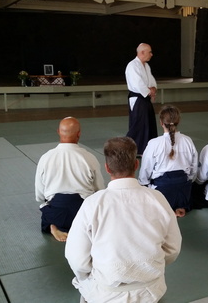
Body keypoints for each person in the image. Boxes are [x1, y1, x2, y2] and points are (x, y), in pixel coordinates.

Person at [65, 137, 182, 303]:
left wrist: (91, 273)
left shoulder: (93, 203)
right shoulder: (157, 198)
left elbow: (77, 259)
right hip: (151, 291)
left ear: (107, 168)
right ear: (136, 165)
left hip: (107, 292)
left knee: (83, 286)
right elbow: (173, 249)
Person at [35, 117, 104, 242]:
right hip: (81, 213)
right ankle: (77, 229)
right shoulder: (89, 158)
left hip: (56, 213)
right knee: (96, 219)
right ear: (79, 134)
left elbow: (39, 195)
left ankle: (54, 226)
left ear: (58, 132)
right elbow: (99, 191)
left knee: (48, 210)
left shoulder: (46, 158)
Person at [139, 105, 198, 217]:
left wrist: (143, 185)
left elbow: (145, 173)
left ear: (161, 122)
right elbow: (193, 171)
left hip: (162, 192)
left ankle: (166, 208)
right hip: (183, 192)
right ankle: (179, 207)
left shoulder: (154, 143)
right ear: (178, 121)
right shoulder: (187, 141)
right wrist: (187, 181)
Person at [125, 43, 158, 154]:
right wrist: (149, 91)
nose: (151, 54)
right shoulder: (132, 65)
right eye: (150, 52)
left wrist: (153, 88)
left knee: (149, 123)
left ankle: (146, 148)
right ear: (142, 52)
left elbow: (151, 80)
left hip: (145, 98)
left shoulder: (146, 66)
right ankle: (128, 148)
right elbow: (138, 84)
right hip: (138, 98)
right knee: (138, 124)